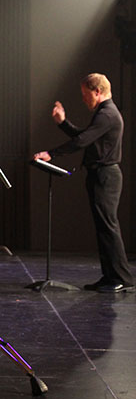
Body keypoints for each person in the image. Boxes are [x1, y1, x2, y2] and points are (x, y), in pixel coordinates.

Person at [33, 73, 134, 293]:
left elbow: (82, 140)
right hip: (101, 176)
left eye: (85, 94)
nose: (83, 99)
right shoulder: (104, 113)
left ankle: (121, 278)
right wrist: (63, 123)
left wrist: (52, 153)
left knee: (108, 227)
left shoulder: (107, 114)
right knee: (103, 228)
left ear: (97, 91)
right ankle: (110, 276)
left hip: (107, 176)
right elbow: (86, 136)